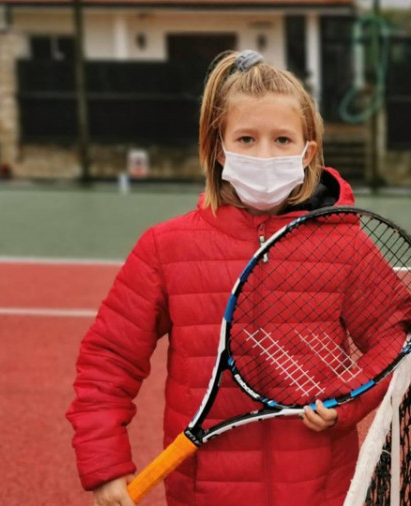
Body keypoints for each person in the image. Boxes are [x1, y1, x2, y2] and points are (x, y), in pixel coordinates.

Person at [66, 50, 389, 506]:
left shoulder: (344, 243)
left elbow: (395, 334)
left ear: (307, 152)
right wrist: (104, 465)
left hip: (317, 489)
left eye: (281, 140)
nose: (264, 154)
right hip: (203, 491)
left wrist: (347, 402)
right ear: (220, 149)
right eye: (246, 138)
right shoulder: (166, 247)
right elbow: (109, 359)